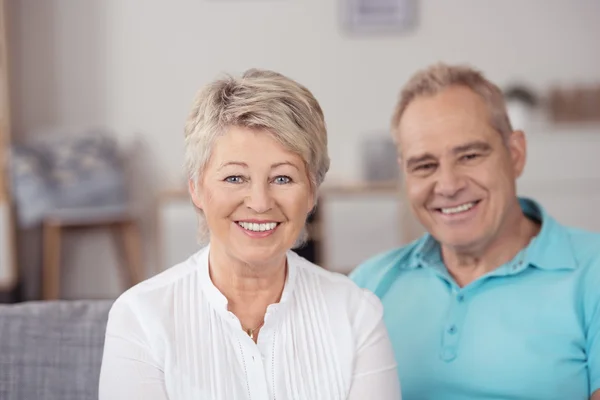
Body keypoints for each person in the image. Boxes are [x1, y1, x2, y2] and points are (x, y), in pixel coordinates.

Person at [99, 68, 401, 399]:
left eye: (283, 178)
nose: (259, 203)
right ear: (196, 190)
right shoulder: (141, 317)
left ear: (312, 192)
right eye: (235, 178)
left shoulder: (356, 314)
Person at [351, 63, 600, 400]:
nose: (449, 185)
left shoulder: (592, 272)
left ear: (515, 154)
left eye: (469, 155)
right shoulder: (367, 286)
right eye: (425, 166)